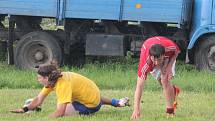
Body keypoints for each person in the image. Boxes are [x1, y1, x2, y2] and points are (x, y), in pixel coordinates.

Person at [11, 63, 129, 118]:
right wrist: (24, 109)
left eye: (39, 78)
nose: (38, 80)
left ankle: (115, 103)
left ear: (46, 78)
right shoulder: (54, 79)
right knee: (92, 97)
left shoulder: (62, 85)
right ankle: (117, 102)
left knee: (64, 112)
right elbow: (38, 99)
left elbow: (60, 112)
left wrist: (45, 119)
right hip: (95, 94)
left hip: (91, 105)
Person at [131, 36, 181, 120]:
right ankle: (173, 90)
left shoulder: (169, 48)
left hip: (167, 55)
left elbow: (176, 52)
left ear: (164, 54)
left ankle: (170, 111)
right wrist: (136, 109)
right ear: (150, 56)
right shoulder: (145, 64)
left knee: (164, 80)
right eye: (155, 60)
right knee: (162, 82)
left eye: (159, 60)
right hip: (149, 49)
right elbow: (139, 87)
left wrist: (168, 67)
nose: (157, 63)